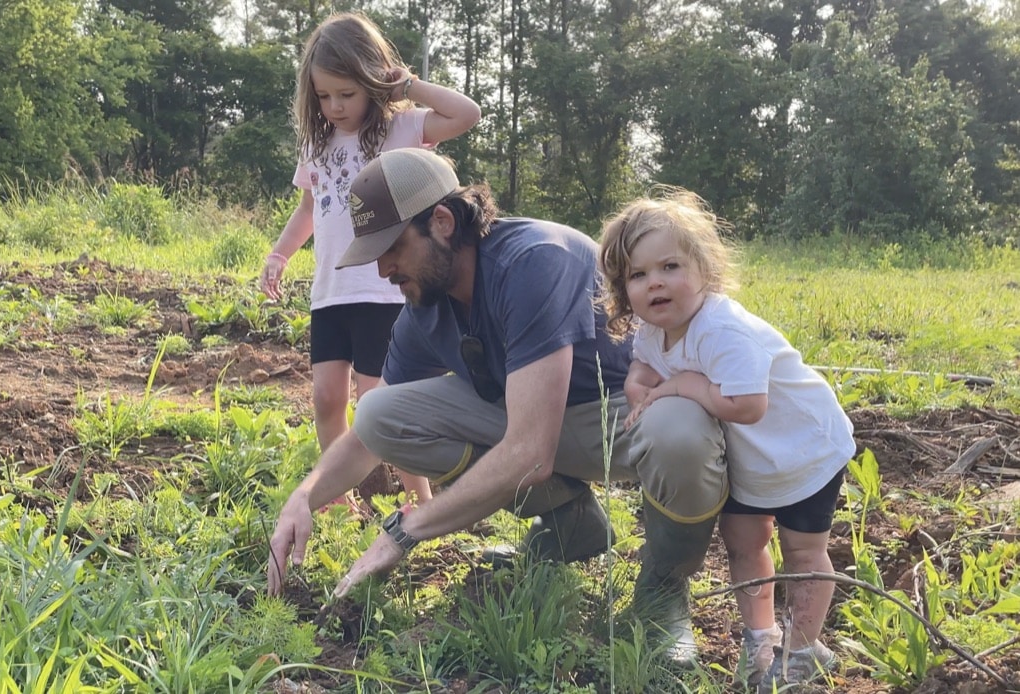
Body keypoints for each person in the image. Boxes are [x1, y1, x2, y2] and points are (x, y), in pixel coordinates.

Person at [267, 148, 729, 665]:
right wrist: (304, 496)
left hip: (624, 414)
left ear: (442, 222)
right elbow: (369, 434)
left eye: (392, 247)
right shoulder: (426, 304)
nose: (383, 269)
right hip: (532, 420)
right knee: (380, 413)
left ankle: (663, 591)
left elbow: (532, 452)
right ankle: (570, 522)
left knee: (683, 432)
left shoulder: (533, 260)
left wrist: (404, 531)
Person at [596, 187, 855, 690]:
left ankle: (802, 651)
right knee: (743, 544)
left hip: (802, 449)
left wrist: (685, 386)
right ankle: (760, 639)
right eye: (638, 274)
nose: (655, 283)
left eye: (669, 266)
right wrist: (637, 386)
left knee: (803, 553)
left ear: (704, 268)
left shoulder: (723, 330)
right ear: (621, 288)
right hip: (750, 458)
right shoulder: (653, 329)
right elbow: (645, 366)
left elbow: (750, 406)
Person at [260, 13, 480, 509]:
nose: (335, 106)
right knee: (326, 398)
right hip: (330, 292)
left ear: (372, 82)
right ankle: (337, 498)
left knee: (381, 398)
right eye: (324, 96)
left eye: (347, 93)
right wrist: (279, 253)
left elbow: (467, 113)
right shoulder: (317, 144)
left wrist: (408, 84)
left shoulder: (402, 128)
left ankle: (420, 498)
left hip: (386, 291)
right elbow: (309, 209)